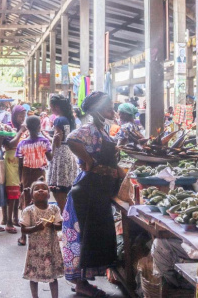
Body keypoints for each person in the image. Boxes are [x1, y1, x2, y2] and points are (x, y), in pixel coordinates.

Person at [64, 92, 125, 297]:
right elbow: (71, 139)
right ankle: (81, 284)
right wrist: (88, 160)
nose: (112, 108)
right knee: (85, 236)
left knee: (92, 236)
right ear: (97, 108)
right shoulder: (89, 128)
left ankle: (83, 282)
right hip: (88, 190)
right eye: (108, 105)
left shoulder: (101, 129)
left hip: (97, 190)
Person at [20, 179, 64, 298]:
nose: (40, 190)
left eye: (44, 188)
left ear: (49, 195)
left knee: (53, 276)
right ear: (31, 196)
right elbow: (23, 229)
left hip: (51, 248)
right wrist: (36, 228)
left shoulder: (54, 209)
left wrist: (52, 225)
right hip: (35, 250)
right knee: (33, 276)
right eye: (36, 188)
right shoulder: (28, 211)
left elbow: (60, 226)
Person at [16, 116, 53, 246]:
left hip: (26, 174)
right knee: (42, 202)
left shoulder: (22, 143)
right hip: (40, 174)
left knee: (26, 203)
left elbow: (20, 164)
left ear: (27, 127)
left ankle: (23, 237)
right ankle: (43, 234)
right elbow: (50, 157)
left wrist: (20, 180)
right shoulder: (44, 142)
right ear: (39, 127)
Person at [48, 94, 78, 214]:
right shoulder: (70, 119)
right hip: (68, 152)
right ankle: (68, 215)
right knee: (65, 187)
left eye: (51, 106)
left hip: (60, 154)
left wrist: (51, 144)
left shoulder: (59, 120)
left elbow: (58, 140)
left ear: (56, 107)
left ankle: (63, 216)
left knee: (58, 190)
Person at [2, 105, 28, 234]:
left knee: (19, 189)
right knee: (12, 190)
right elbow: (10, 144)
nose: (22, 118)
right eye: (20, 115)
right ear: (14, 115)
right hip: (11, 159)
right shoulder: (8, 126)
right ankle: (8, 222)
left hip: (21, 160)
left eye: (24, 116)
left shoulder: (22, 126)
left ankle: (16, 217)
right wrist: (21, 132)